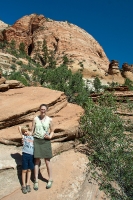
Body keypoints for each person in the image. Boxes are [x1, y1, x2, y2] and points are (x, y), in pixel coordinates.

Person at [31, 104, 54, 190]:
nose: (43, 110)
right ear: (39, 110)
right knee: (36, 160)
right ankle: (36, 180)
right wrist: (24, 136)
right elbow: (31, 131)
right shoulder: (35, 119)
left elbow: (52, 131)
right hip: (37, 140)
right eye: (41, 109)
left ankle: (50, 179)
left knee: (47, 161)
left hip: (46, 141)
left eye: (44, 109)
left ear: (47, 110)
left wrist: (50, 137)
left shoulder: (50, 120)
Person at [18, 125, 34, 194]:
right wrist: (22, 131)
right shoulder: (24, 137)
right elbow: (19, 127)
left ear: (29, 131)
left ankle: (28, 184)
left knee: (29, 170)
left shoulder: (33, 137)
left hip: (31, 155)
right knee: (24, 170)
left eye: (26, 131)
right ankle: (23, 185)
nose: (25, 133)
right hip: (25, 155)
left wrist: (30, 132)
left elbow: (34, 128)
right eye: (24, 132)